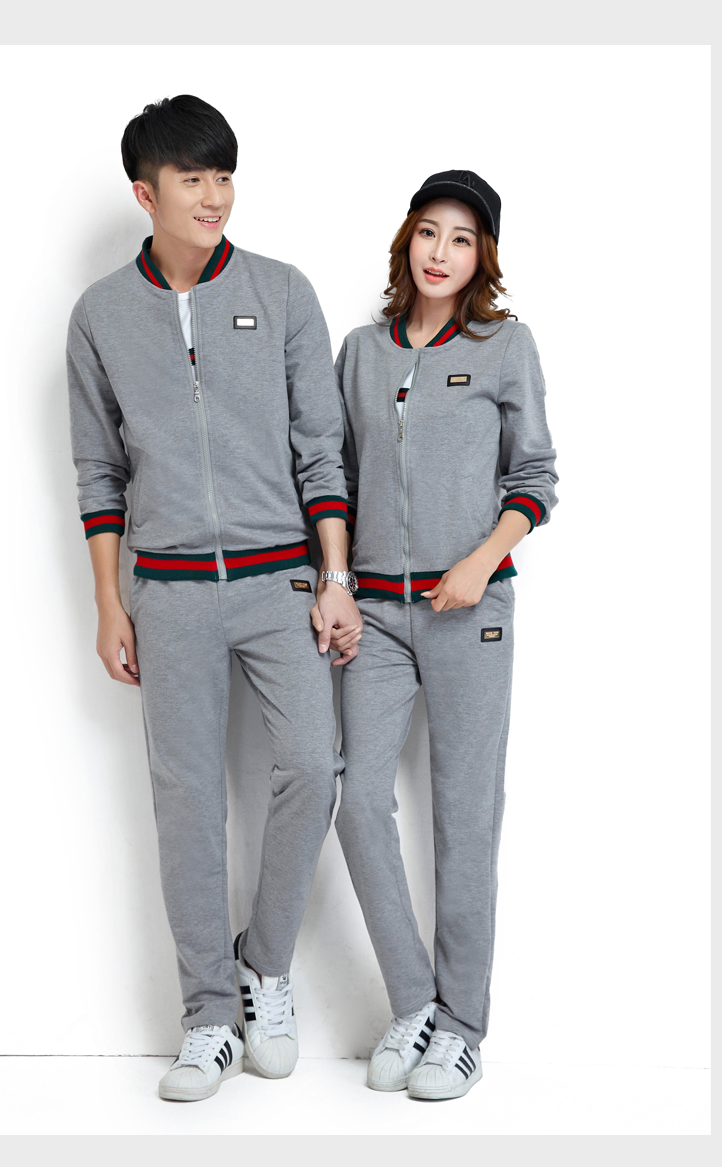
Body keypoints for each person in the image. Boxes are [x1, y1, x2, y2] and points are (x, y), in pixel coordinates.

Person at [67, 95, 362, 1102]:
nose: (213, 196)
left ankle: (262, 965)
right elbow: (98, 472)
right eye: (191, 178)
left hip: (282, 582)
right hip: (170, 593)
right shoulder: (101, 315)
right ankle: (205, 1018)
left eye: (223, 175)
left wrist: (333, 578)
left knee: (313, 765)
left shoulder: (281, 291)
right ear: (144, 193)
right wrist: (109, 604)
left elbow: (320, 450)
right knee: (186, 801)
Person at [322, 171, 558, 1100]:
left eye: (462, 239)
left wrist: (478, 562)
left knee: (466, 818)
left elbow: (535, 477)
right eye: (429, 231)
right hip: (376, 616)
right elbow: (334, 478)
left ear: (481, 256)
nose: (441, 252)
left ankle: (462, 1027)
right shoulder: (359, 352)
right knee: (355, 799)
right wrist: (337, 583)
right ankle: (415, 1000)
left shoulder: (505, 346)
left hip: (473, 612)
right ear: (407, 239)